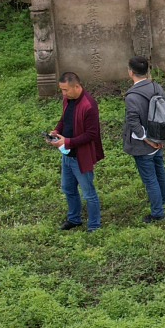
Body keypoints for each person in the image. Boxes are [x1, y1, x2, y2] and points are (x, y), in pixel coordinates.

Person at [48, 70, 103, 231]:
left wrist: (68, 141)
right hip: (67, 154)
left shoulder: (89, 105)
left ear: (77, 86)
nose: (63, 94)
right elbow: (64, 118)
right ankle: (74, 219)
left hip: (81, 156)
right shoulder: (68, 100)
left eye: (66, 90)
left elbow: (91, 134)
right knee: (68, 188)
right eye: (62, 90)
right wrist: (56, 131)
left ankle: (94, 225)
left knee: (88, 192)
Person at [121, 56, 165, 223]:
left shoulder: (132, 96)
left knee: (150, 179)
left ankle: (157, 212)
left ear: (130, 72)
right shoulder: (157, 87)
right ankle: (162, 199)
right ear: (147, 71)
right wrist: (160, 137)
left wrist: (146, 138)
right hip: (158, 139)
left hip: (143, 144)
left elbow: (133, 122)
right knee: (159, 171)